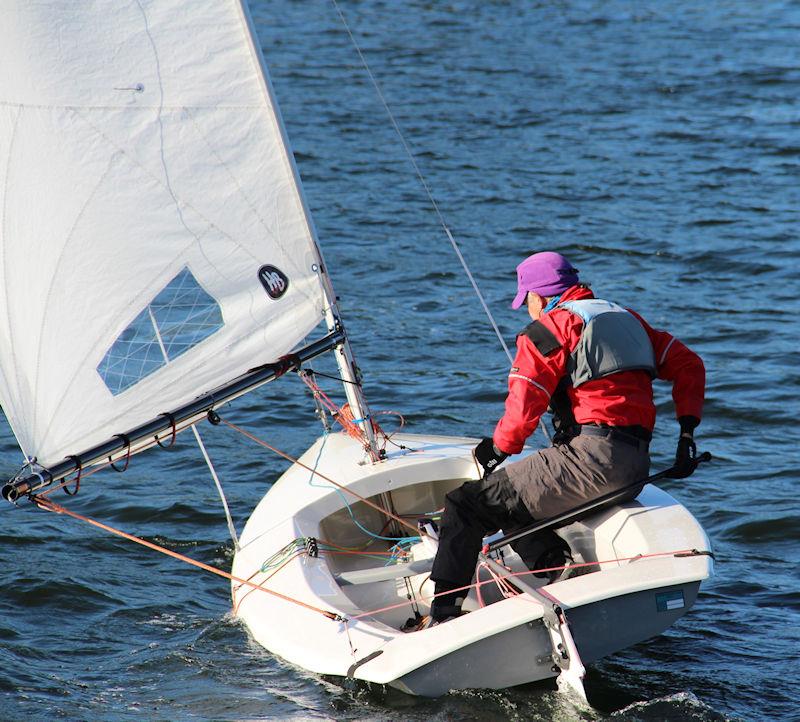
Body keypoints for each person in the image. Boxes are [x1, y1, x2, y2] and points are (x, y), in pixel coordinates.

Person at [424, 251, 705, 626]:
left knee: (465, 505)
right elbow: (690, 366)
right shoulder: (627, 319)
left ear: (539, 297)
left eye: (526, 302)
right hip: (635, 467)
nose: (527, 310)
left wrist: (498, 448)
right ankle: (560, 570)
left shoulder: (552, 328)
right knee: (513, 495)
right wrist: (686, 434)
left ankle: (441, 617)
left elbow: (525, 400)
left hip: (591, 461)